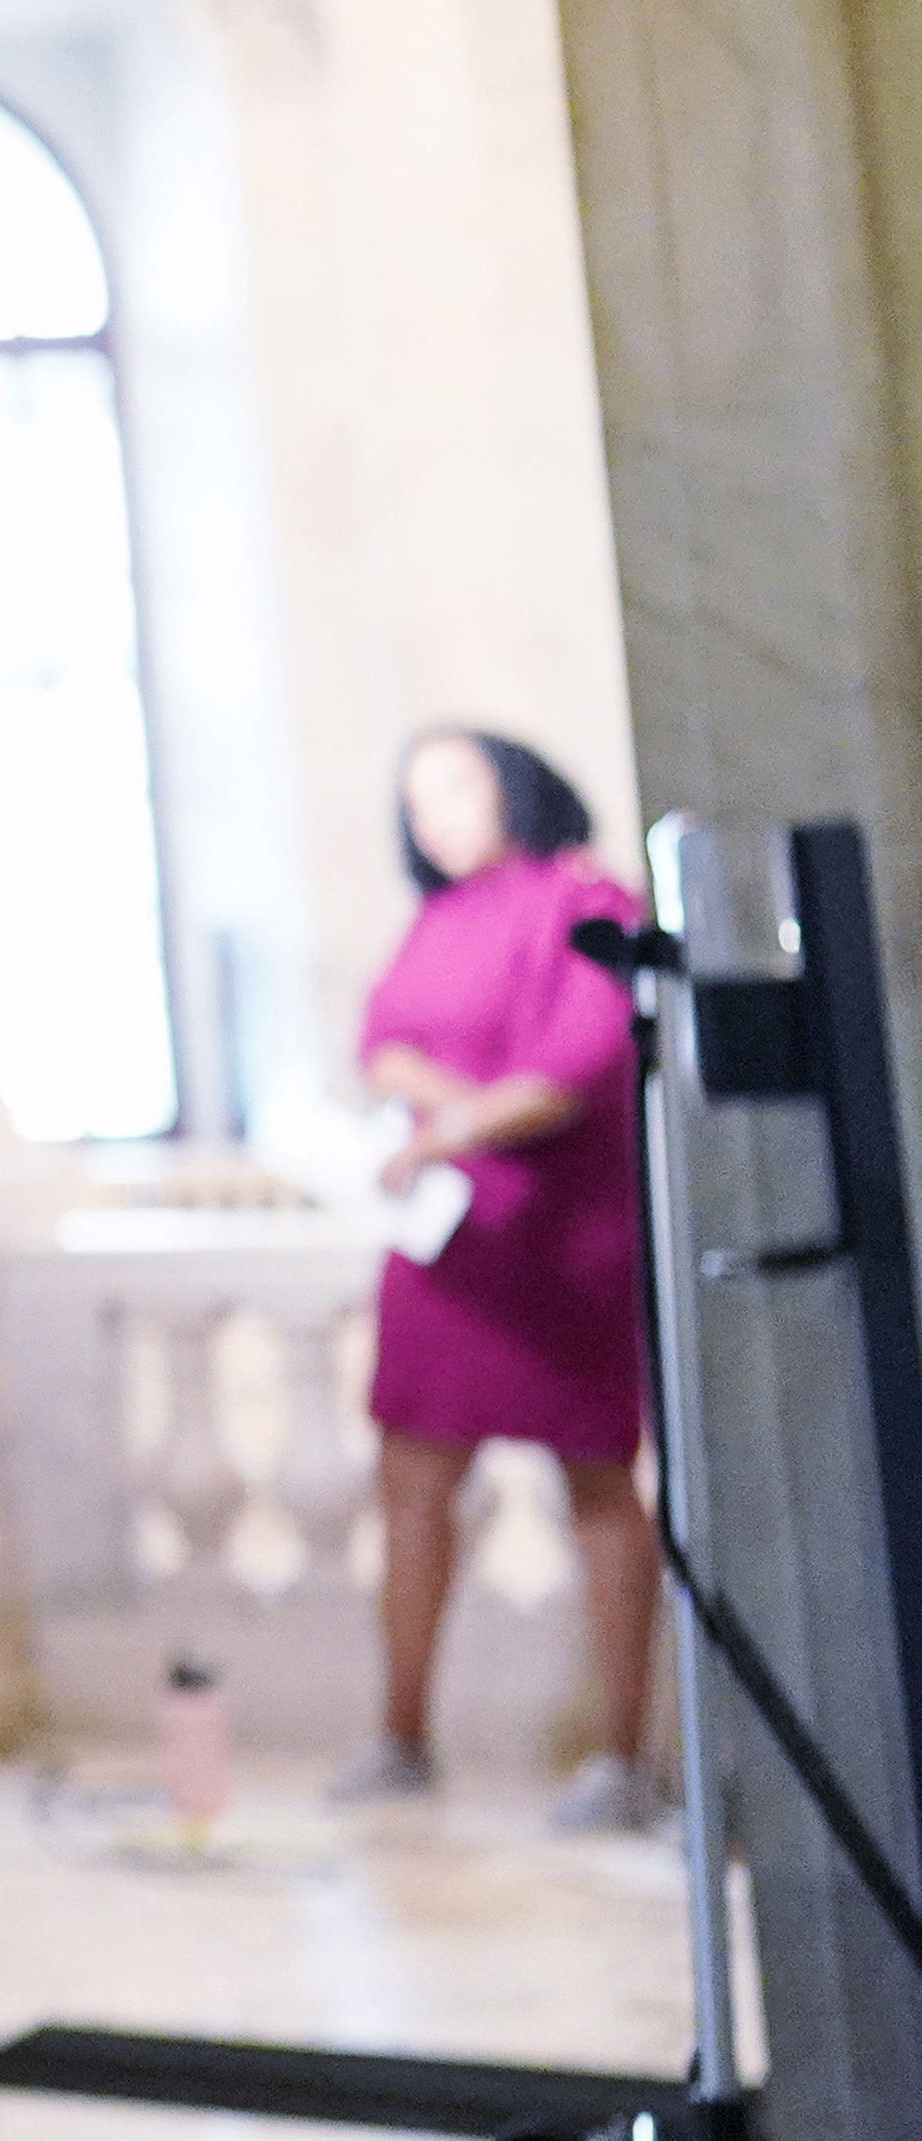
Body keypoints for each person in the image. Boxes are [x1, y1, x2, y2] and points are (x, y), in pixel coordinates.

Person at [331, 728, 659, 1835]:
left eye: (454, 787)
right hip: (443, 1255)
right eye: (414, 797)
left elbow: (577, 1061)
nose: (434, 815)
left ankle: (622, 1755)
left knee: (598, 1489)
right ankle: (399, 1735)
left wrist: (446, 1123)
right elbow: (377, 1041)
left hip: (562, 1248)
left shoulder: (586, 896)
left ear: (514, 785)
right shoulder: (433, 917)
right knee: (411, 1484)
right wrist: (450, 1103)